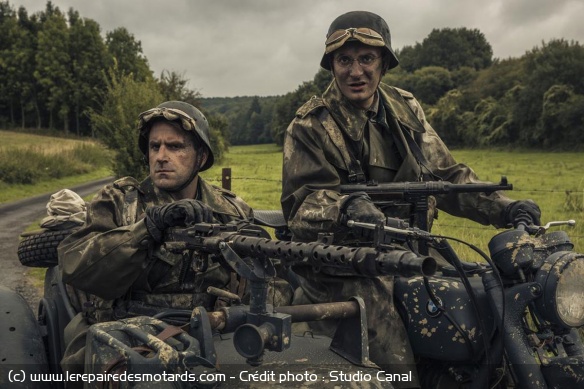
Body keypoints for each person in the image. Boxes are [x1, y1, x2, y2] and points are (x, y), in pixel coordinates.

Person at [280, 11, 541, 388]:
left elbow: (446, 177)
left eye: (366, 58)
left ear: (384, 63)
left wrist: (504, 207)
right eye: (345, 60)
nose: (356, 71)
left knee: (488, 299)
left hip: (413, 254)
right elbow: (302, 206)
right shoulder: (311, 125)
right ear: (332, 66)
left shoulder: (406, 109)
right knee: (394, 356)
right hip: (344, 267)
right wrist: (348, 208)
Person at [57, 101, 254, 378]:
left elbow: (271, 284)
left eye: (175, 147)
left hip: (216, 338)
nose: (161, 156)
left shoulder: (231, 211)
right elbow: (76, 266)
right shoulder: (118, 202)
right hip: (126, 338)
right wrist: (147, 229)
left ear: (200, 156)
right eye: (154, 146)